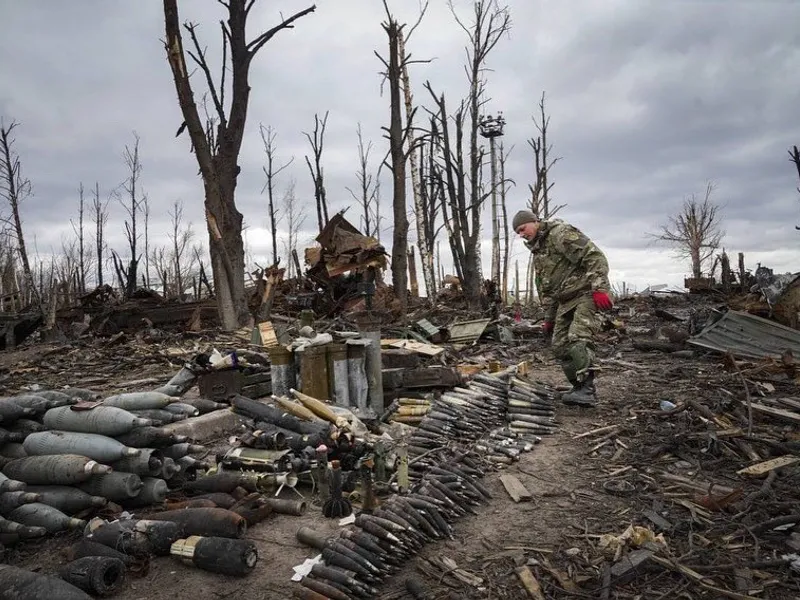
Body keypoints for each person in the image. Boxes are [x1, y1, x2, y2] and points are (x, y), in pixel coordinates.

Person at [512, 209, 613, 407]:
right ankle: (578, 386)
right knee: (559, 345)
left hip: (586, 293)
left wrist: (599, 288)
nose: (522, 234)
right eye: (518, 232)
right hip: (565, 301)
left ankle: (587, 390)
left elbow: (594, 256)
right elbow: (549, 290)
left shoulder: (560, 233)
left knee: (578, 337)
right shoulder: (539, 252)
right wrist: (549, 319)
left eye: (523, 228)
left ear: (534, 221)